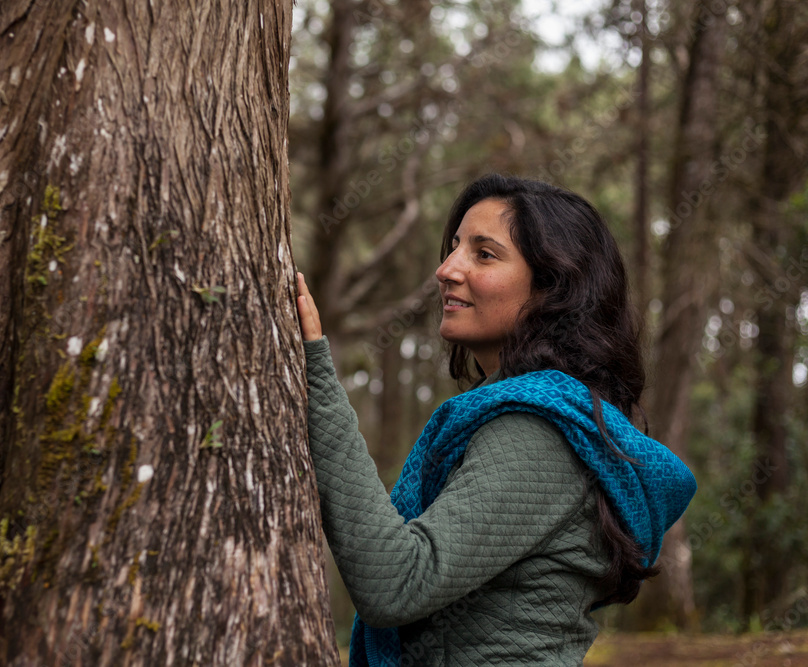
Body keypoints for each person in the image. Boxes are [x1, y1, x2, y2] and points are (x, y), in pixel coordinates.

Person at [295, 174, 697, 666]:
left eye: (484, 254)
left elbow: (395, 583)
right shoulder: (537, 418)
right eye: (455, 247)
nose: (446, 269)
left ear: (552, 288)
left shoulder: (541, 432)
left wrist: (317, 380)